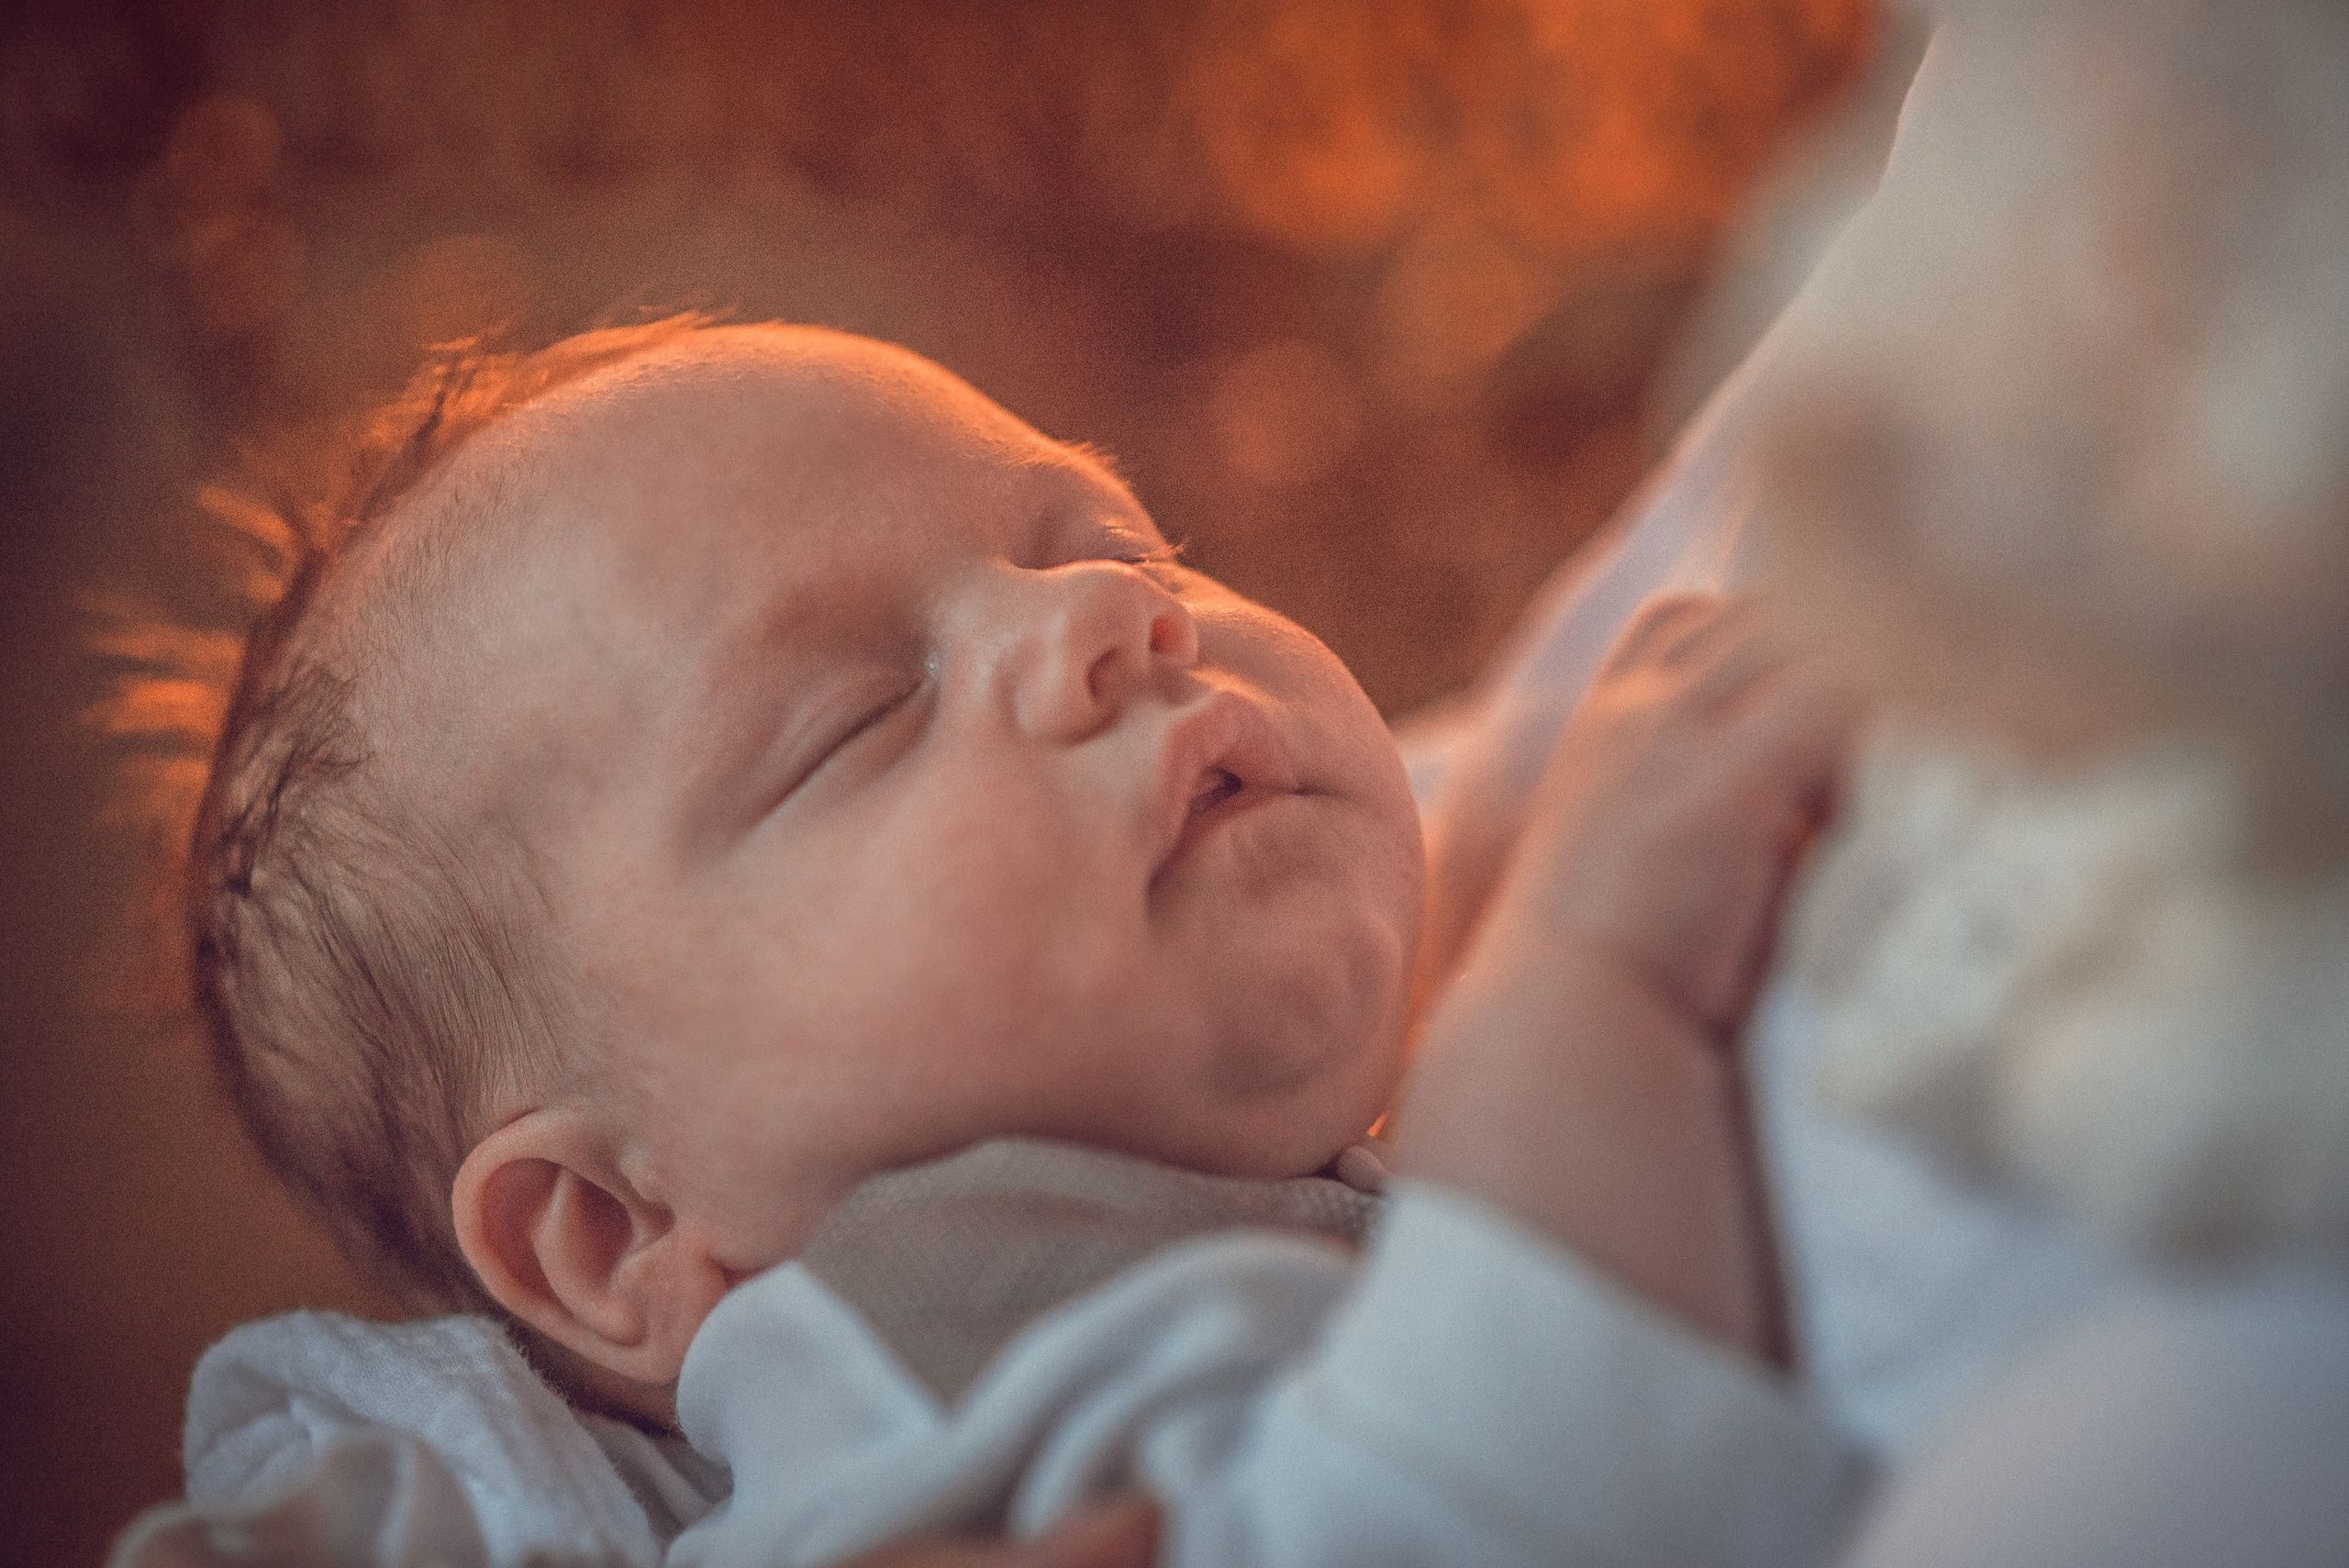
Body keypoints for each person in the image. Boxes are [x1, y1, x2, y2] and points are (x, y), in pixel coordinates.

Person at [119, 317, 1863, 1565]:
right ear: (614, 1226)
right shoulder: (919, 1316)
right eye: (865, 715)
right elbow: (1469, 1512)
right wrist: (1595, 970)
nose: (1111, 614)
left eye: (1105, 536)